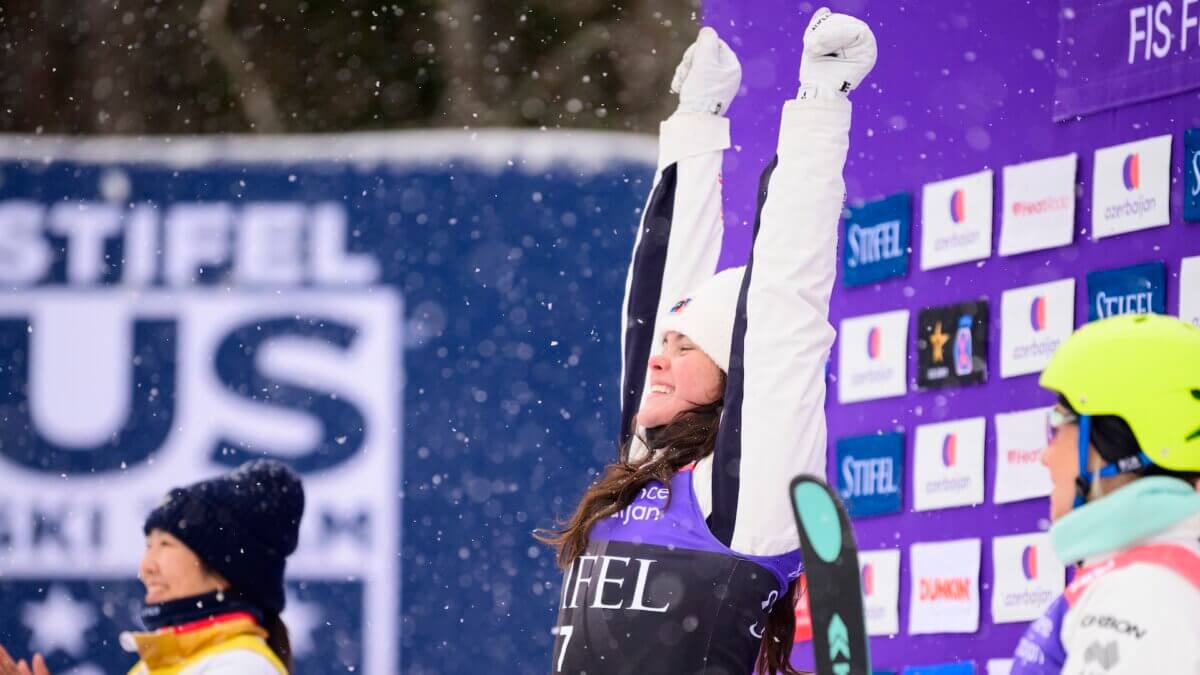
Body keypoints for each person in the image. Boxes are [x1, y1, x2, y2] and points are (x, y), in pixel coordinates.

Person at [536, 8, 876, 674]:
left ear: (732, 376)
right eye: (669, 343)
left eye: (687, 347)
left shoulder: (747, 498)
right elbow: (657, 294)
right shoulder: (646, 469)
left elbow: (785, 307)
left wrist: (817, 107)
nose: (659, 356)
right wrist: (696, 122)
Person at [1010, 313, 1200, 674]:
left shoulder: (1145, 592)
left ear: (1116, 444)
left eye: (1059, 425)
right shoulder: (1146, 574)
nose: (1045, 456)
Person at [0, 459, 305, 675]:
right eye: (149, 546)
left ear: (225, 572)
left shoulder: (240, 668)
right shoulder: (156, 666)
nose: (146, 567)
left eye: (165, 545)